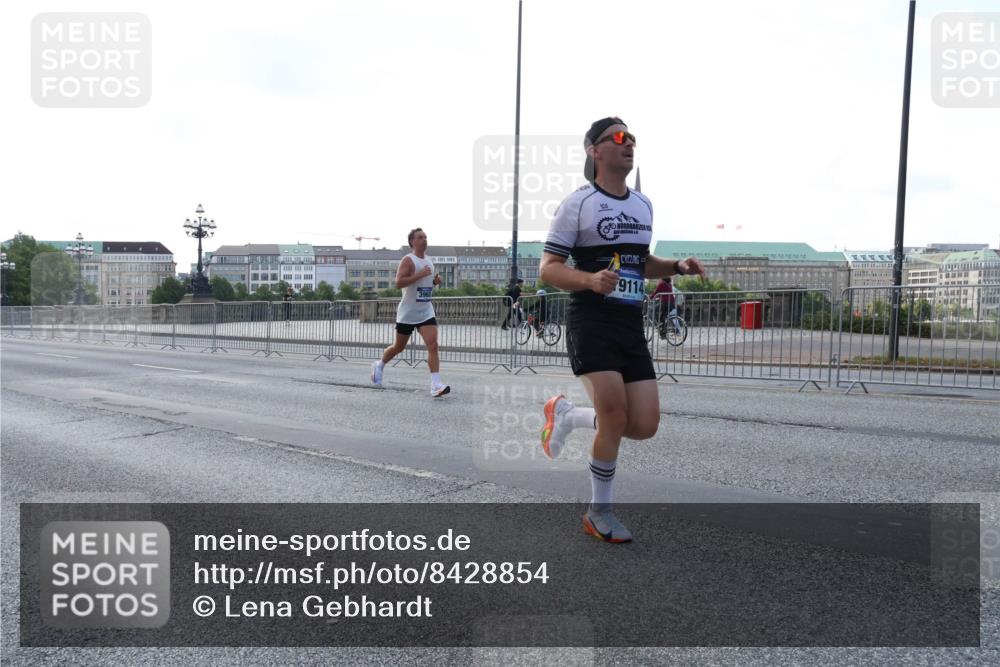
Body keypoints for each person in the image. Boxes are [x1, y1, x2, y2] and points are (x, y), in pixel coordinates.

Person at [538, 117, 705, 543]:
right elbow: (549, 269)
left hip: (630, 324)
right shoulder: (578, 203)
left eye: (631, 138)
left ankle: (569, 416)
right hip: (591, 321)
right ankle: (599, 511)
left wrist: (676, 266)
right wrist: (590, 279)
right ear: (594, 151)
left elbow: (640, 262)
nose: (627, 143)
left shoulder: (643, 205)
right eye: (617, 137)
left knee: (643, 424)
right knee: (614, 415)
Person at [371, 228, 450, 397]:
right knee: (398, 347)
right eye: (420, 237)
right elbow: (399, 282)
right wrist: (419, 274)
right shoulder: (408, 260)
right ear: (412, 242)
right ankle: (380, 365)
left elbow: (424, 285)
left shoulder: (429, 261)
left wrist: (435, 282)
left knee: (433, 345)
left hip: (426, 311)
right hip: (408, 312)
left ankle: (436, 385)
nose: (424, 240)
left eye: (425, 237)